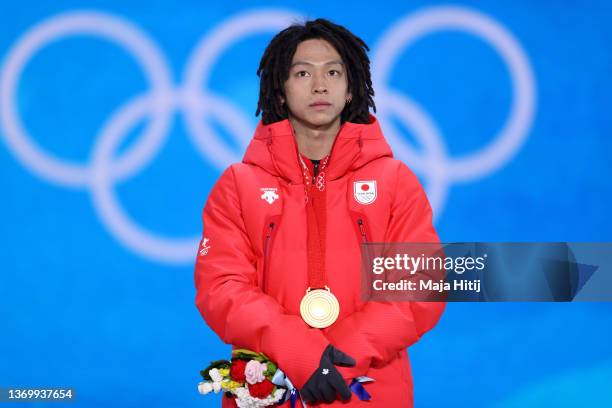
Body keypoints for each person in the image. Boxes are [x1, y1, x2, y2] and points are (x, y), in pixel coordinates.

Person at [194, 18, 445, 407]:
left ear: (350, 89)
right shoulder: (237, 185)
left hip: (369, 390)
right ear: (279, 90)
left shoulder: (395, 181)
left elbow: (418, 288)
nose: (319, 85)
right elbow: (223, 288)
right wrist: (302, 354)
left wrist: (339, 360)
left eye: (333, 71)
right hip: (271, 389)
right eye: (302, 72)